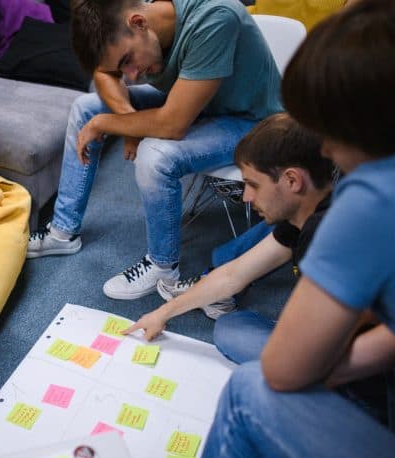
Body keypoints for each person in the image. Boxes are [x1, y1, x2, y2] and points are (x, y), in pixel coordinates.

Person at [189, 0, 395, 458]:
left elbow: (282, 372)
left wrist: (315, 388)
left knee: (249, 392)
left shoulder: (370, 202)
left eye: (328, 129)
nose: (325, 149)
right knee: (236, 325)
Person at [27, 0, 283, 300]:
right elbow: (104, 72)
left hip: (251, 122)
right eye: (123, 67)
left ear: (139, 23)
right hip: (195, 103)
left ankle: (163, 266)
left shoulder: (215, 18)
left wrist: (110, 123)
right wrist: (127, 120)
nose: (132, 75)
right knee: (86, 107)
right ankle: (63, 232)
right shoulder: (138, 27)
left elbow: (173, 124)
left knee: (155, 154)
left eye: (128, 60)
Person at [124, 113, 334, 364]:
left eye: (253, 185)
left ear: (292, 180)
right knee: (231, 326)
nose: (246, 197)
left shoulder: (328, 238)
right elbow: (233, 275)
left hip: (341, 357)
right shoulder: (301, 218)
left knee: (241, 348)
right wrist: (162, 314)